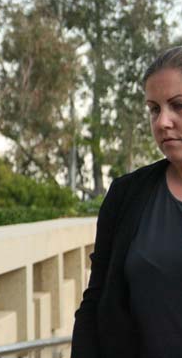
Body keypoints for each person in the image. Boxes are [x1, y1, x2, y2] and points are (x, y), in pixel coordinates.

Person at [71, 46, 182, 358]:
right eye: (154, 109)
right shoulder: (126, 195)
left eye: (178, 106)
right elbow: (96, 302)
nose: (163, 122)